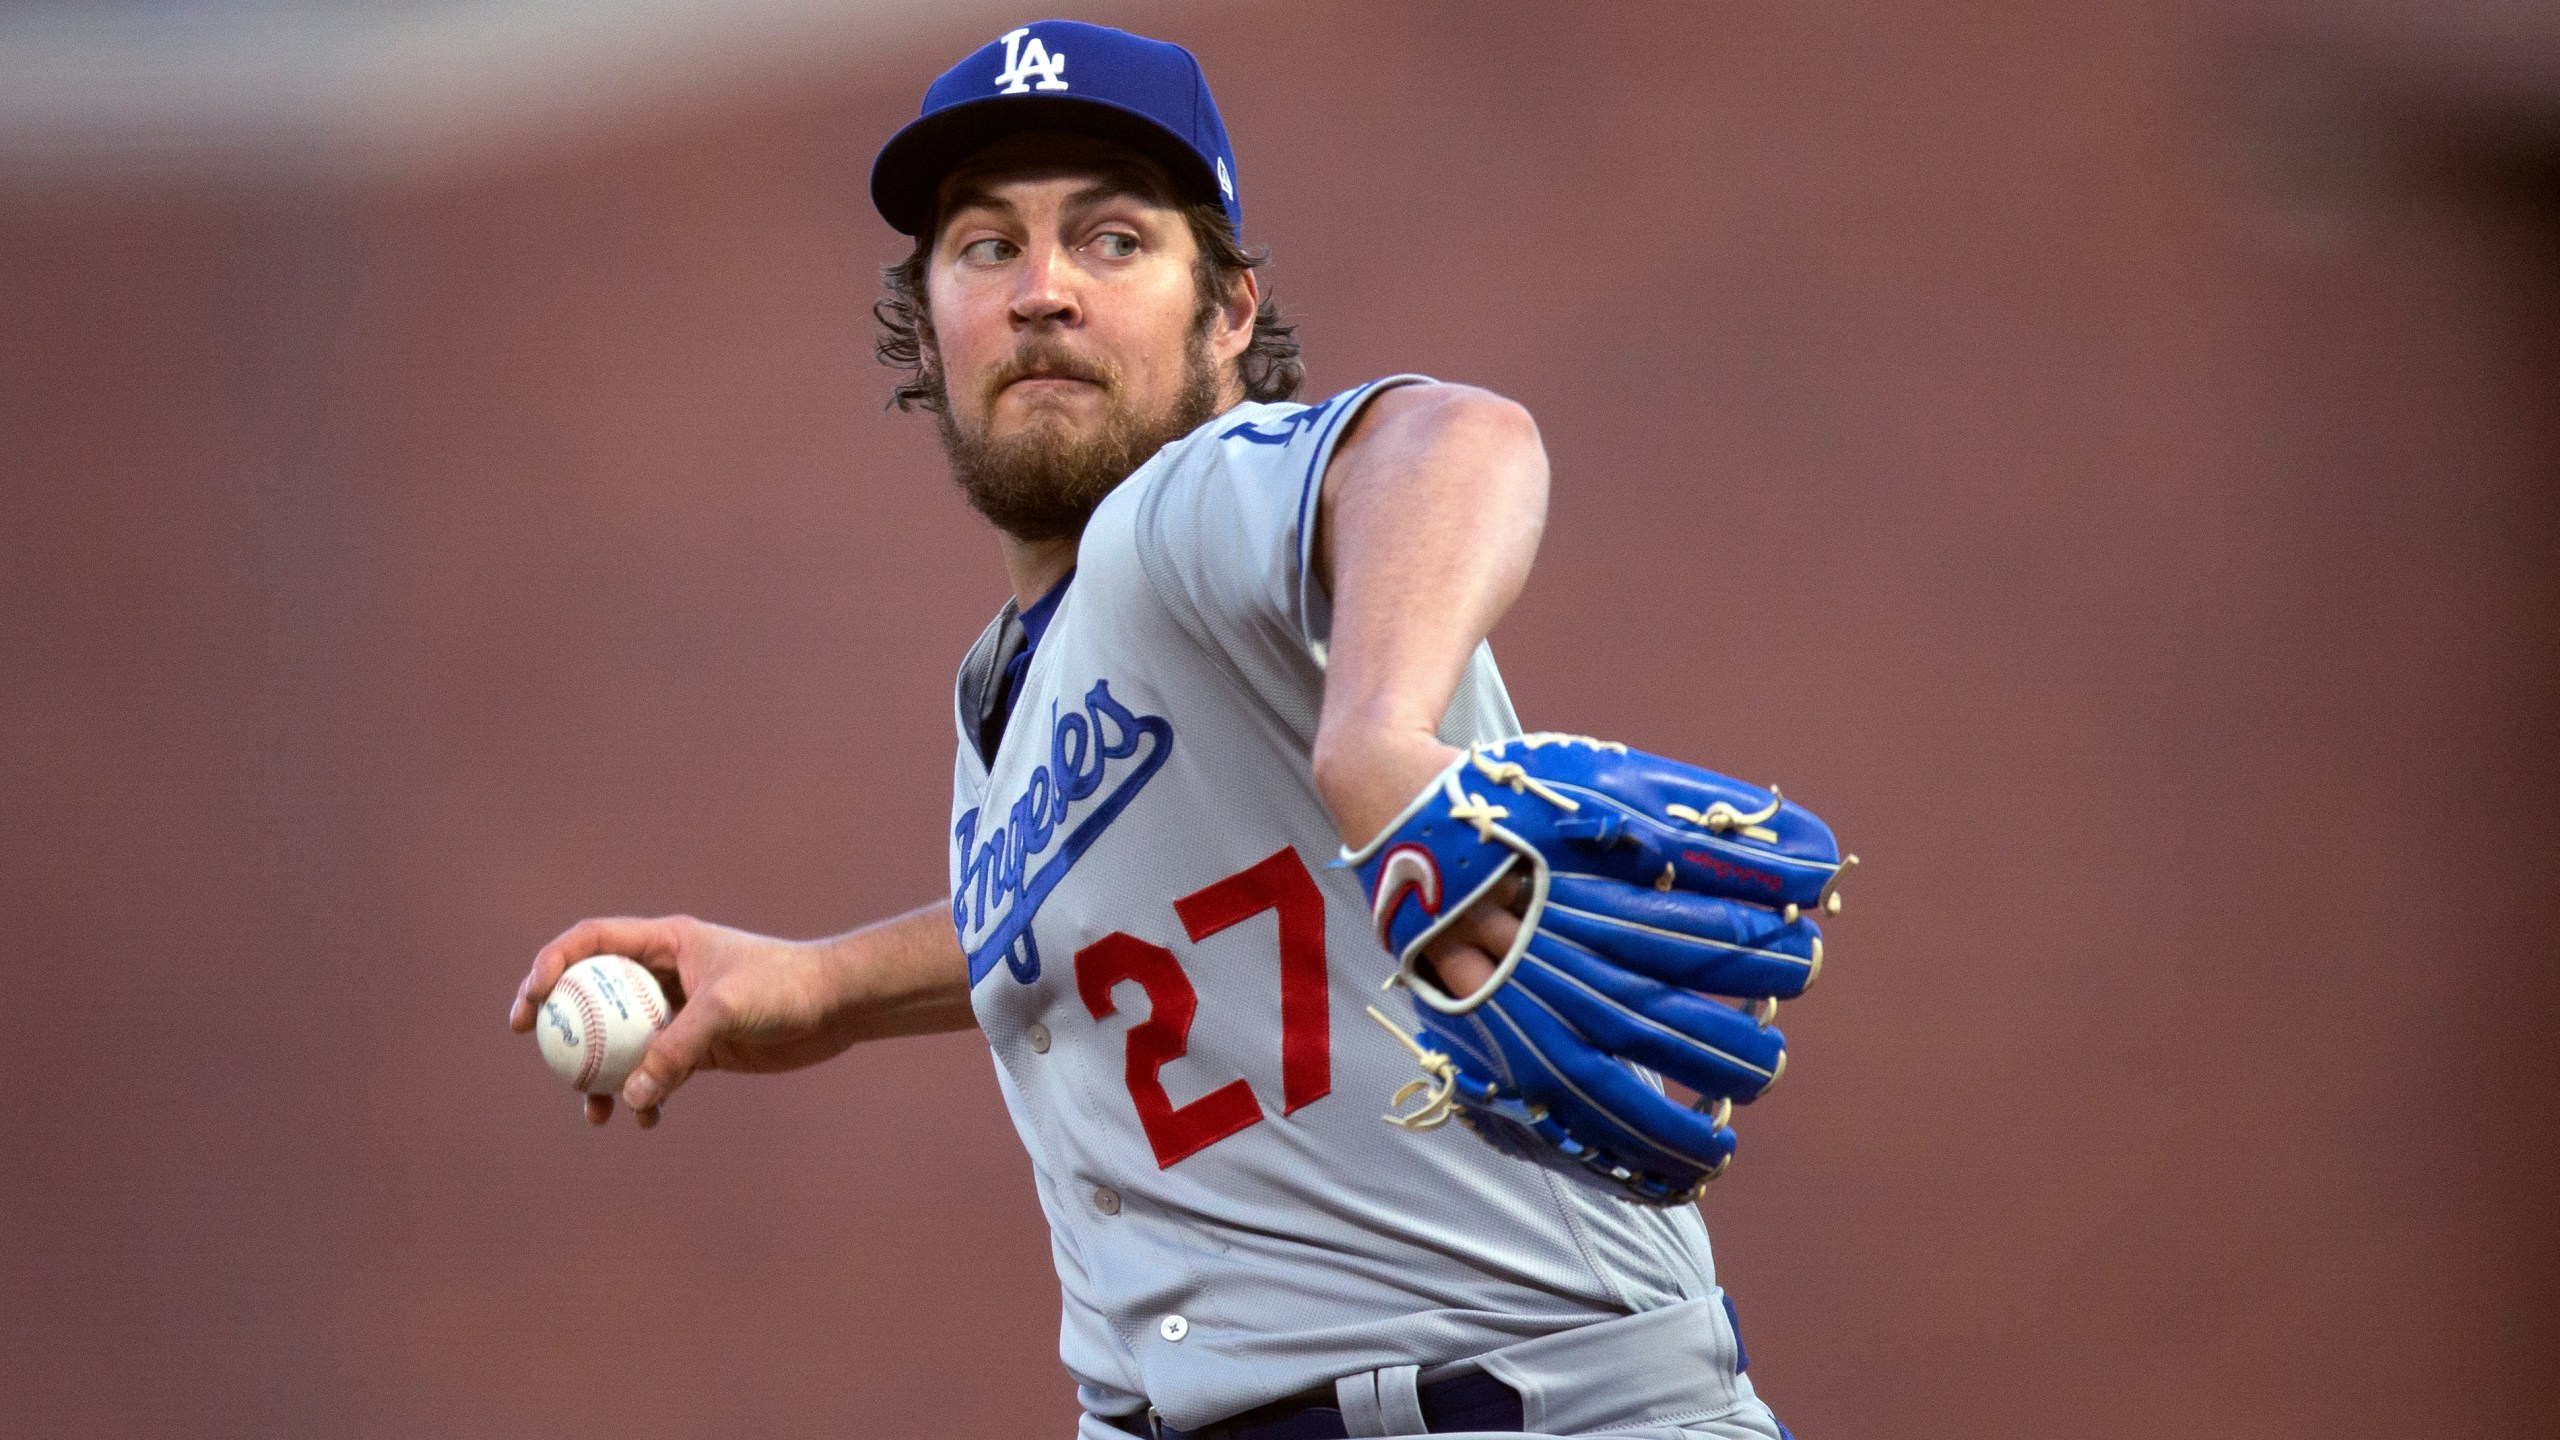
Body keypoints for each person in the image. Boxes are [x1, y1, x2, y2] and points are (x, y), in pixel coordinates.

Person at [509, 21, 1803, 1440]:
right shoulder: (1009, 682)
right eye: (985, 247)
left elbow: (1450, 437)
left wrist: (1377, 736)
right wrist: (821, 986)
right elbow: (1111, 914)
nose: (1042, 291)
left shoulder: (1186, 516)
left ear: (1231, 312)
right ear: (929, 322)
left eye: (1114, 240)